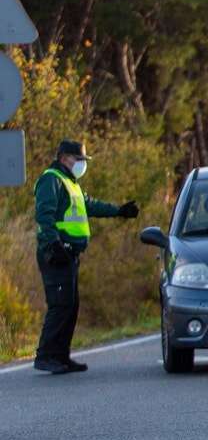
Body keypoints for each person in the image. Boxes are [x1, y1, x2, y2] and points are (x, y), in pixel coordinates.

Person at [32, 140, 139, 375]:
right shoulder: (52, 179)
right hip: (56, 254)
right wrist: (53, 244)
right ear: (63, 158)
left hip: (69, 254)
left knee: (70, 305)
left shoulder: (71, 183)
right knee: (60, 305)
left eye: (83, 160)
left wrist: (119, 211)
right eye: (78, 159)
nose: (82, 164)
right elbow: (44, 216)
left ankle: (61, 356)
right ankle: (46, 356)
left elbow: (90, 206)